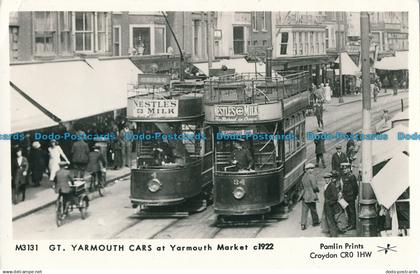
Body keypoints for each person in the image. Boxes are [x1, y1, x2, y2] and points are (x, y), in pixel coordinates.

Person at [300, 163, 320, 230]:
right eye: (311, 168)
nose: (312, 170)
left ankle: (303, 224)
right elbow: (314, 186)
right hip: (311, 195)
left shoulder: (303, 177)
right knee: (313, 209)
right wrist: (317, 190)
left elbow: (302, 186)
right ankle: (315, 222)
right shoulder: (311, 176)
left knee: (304, 211)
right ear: (307, 170)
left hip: (305, 195)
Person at [341, 162, 359, 231]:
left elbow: (355, 187)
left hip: (351, 197)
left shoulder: (352, 176)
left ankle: (353, 225)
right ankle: (349, 223)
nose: (344, 170)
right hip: (346, 197)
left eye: (345, 169)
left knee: (352, 211)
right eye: (343, 169)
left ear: (349, 169)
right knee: (348, 211)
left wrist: (354, 196)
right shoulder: (344, 176)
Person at [322, 172, 340, 237]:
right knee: (329, 220)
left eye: (327, 178)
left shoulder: (332, 185)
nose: (326, 179)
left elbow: (335, 197)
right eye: (325, 178)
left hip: (331, 207)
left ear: (330, 178)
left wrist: (329, 203)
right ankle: (332, 233)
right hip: (327, 206)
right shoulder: (327, 185)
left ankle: (334, 235)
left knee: (331, 221)